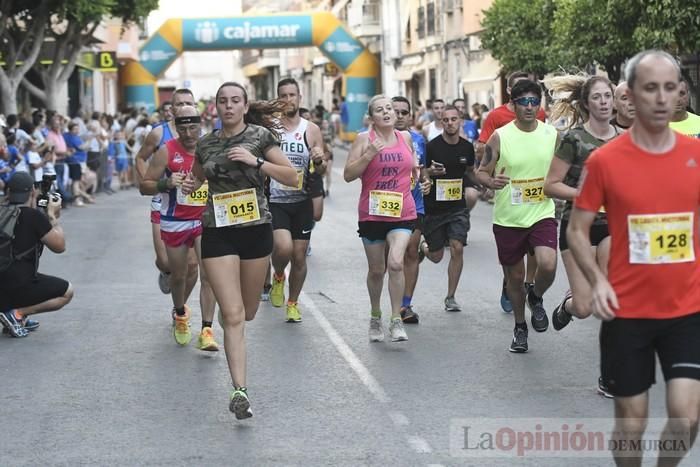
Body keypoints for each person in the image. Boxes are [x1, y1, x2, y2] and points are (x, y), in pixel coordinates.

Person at [567, 50, 700, 465]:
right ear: (631, 95)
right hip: (628, 311)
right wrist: (598, 280)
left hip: (688, 308)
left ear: (680, 92)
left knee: (687, 414)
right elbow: (576, 230)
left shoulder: (695, 155)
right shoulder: (605, 161)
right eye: (650, 88)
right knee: (632, 420)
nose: (661, 98)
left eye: (669, 88)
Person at [181, 81, 297, 419]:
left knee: (246, 312)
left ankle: (233, 313)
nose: (228, 106)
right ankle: (239, 391)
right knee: (232, 317)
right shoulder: (206, 144)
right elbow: (197, 178)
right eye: (222, 101)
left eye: (235, 101)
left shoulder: (260, 138)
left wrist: (256, 162)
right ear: (215, 107)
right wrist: (191, 184)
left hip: (255, 231)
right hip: (217, 231)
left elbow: (292, 177)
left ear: (245, 106)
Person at [543, 74, 618, 397]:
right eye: (597, 97)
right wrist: (583, 193)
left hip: (612, 227)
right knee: (586, 306)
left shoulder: (626, 139)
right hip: (577, 226)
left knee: (613, 297)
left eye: (608, 96)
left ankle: (610, 376)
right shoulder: (574, 139)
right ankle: (569, 306)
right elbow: (550, 185)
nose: (604, 102)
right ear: (586, 104)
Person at [477, 79, 560, 353]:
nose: (529, 107)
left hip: (541, 211)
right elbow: (481, 172)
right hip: (509, 218)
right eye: (523, 102)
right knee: (514, 278)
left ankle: (535, 296)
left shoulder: (551, 134)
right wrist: (491, 183)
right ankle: (520, 327)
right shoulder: (501, 136)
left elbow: (564, 170)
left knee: (548, 264)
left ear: (540, 104)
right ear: (513, 105)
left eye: (534, 102)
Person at [140, 106, 218, 350]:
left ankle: (207, 329)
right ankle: (180, 312)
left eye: (192, 127)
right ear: (176, 127)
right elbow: (145, 186)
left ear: (200, 126)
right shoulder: (167, 150)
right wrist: (165, 182)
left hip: (204, 220)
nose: (188, 133)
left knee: (208, 275)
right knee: (179, 276)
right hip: (175, 220)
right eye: (182, 128)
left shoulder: (210, 148)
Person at [344, 95, 420, 343]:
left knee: (396, 263)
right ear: (372, 117)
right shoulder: (364, 139)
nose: (387, 113)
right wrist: (368, 156)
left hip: (402, 211)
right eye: (380, 110)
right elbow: (348, 174)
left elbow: (412, 166)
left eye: (389, 108)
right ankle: (375, 315)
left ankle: (396, 319)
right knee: (377, 270)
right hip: (373, 213)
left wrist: (417, 175)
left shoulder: (405, 137)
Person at [269, 78, 326, 322]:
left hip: (301, 199)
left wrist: (319, 160)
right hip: (275, 198)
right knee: (283, 248)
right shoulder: (270, 128)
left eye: (292, 95)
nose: (288, 100)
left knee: (300, 256)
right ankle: (279, 274)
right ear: (278, 99)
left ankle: (293, 303)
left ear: (299, 98)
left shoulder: (311, 130)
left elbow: (319, 170)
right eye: (283, 95)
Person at [135, 89, 197, 296]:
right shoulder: (159, 133)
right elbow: (140, 158)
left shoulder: (200, 135)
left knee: (191, 264)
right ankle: (167, 271)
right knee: (164, 261)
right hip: (163, 200)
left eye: (188, 103)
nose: (183, 107)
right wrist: (152, 182)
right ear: (171, 109)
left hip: (191, 206)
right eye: (179, 104)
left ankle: (181, 310)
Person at [0, 172, 73, 337]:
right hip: (18, 287)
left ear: (8, 191)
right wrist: (53, 217)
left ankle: (15, 317)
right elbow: (59, 246)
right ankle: (17, 314)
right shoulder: (33, 217)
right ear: (33, 192)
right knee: (67, 291)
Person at [419, 105, 477, 312]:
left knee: (457, 247)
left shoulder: (467, 147)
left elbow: (471, 171)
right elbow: (420, 173)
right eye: (446, 120)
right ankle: (423, 247)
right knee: (436, 257)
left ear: (460, 120)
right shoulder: (432, 147)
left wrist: (488, 184)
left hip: (457, 208)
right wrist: (429, 172)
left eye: (454, 119)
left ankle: (450, 297)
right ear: (441, 122)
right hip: (434, 208)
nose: (450, 123)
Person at [391, 96, 431, 323]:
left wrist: (427, 182)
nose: (399, 116)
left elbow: (422, 171)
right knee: (391, 259)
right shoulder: (378, 139)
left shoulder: (419, 140)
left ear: (410, 116)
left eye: (403, 112)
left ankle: (405, 305)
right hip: (387, 205)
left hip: (414, 203)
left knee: (411, 252)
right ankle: (392, 301)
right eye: (394, 111)